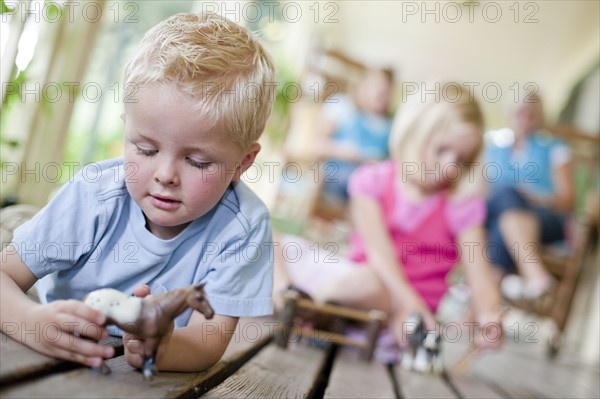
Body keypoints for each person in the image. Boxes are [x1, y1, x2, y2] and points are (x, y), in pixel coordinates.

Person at [0, 13, 276, 373]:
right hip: (46, 253)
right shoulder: (94, 195)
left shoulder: (244, 227)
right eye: (145, 150)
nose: (165, 175)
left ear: (243, 162)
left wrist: (165, 347)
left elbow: (209, 339)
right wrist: (30, 320)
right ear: (125, 129)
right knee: (14, 224)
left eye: (197, 161)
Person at [274, 84, 504, 353]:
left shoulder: (461, 205)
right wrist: (410, 304)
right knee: (273, 241)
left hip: (404, 313)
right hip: (364, 283)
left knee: (376, 295)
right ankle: (301, 306)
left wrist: (490, 316)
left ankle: (309, 313)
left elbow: (481, 278)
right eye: (442, 150)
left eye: (462, 160)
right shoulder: (373, 181)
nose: (451, 166)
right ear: (414, 134)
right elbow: (380, 255)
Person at [484, 93, 574, 300]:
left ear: (539, 117)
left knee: (506, 202)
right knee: (505, 208)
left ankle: (482, 307)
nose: (524, 120)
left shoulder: (555, 148)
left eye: (531, 115)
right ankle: (536, 277)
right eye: (519, 114)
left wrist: (536, 198)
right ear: (510, 116)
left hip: (546, 218)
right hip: (505, 221)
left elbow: (568, 200)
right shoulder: (494, 151)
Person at [314, 68, 395, 207]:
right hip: (337, 182)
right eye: (375, 87)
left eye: (385, 91)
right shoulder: (342, 106)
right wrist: (352, 153)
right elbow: (316, 145)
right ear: (362, 87)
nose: (379, 94)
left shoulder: (390, 126)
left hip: (371, 191)